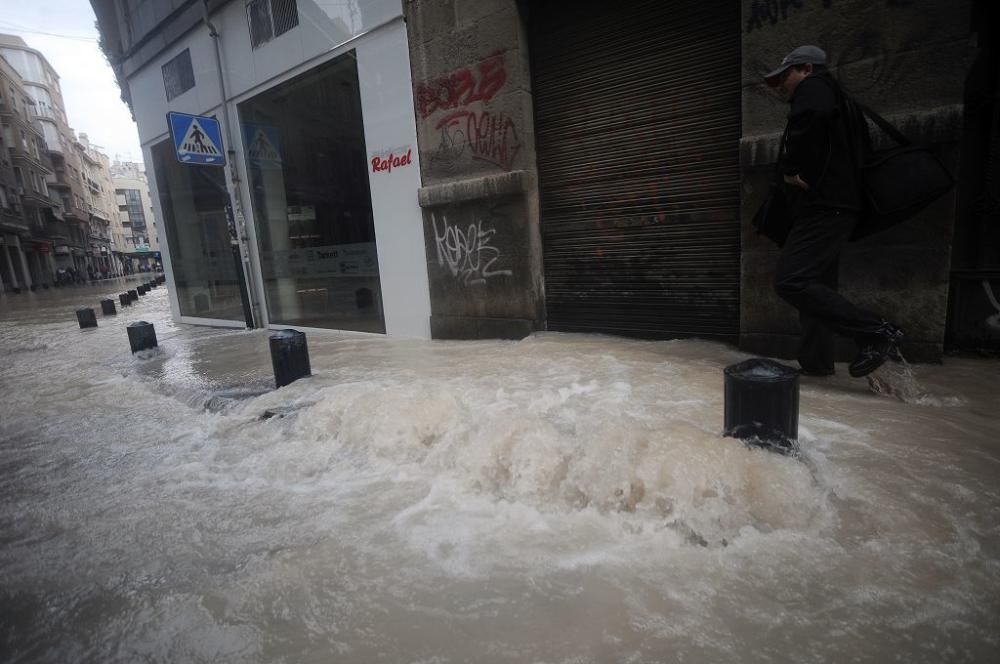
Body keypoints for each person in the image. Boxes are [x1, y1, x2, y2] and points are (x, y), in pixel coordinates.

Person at [764, 45, 903, 378]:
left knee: (790, 281)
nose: (782, 84)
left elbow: (811, 120)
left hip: (827, 208)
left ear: (807, 69)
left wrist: (792, 169)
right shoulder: (839, 99)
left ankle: (875, 331)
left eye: (786, 76)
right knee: (815, 286)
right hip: (835, 207)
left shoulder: (816, 89)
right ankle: (816, 364)